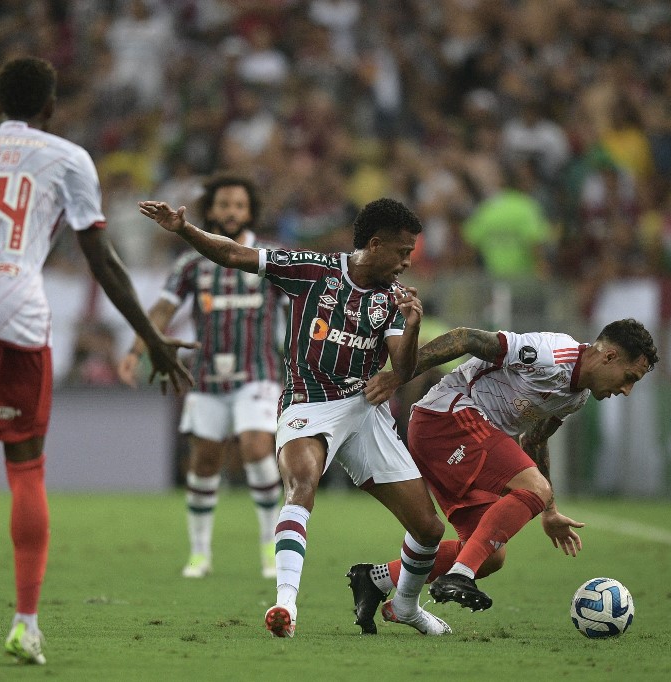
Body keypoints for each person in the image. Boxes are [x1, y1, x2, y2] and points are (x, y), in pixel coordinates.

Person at [0, 57, 193, 665]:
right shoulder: (68, 158)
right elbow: (101, 259)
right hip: (17, 317)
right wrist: (152, 339)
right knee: (25, 469)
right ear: (50, 108)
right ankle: (25, 626)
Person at [138, 196, 451, 638]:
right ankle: (285, 603)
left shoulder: (391, 300)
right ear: (375, 245)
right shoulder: (313, 271)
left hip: (364, 410)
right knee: (302, 485)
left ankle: (406, 606)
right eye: (402, 251)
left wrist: (412, 326)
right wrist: (184, 229)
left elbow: (402, 365)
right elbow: (234, 254)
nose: (407, 262)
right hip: (310, 402)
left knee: (429, 528)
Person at [348, 318, 659, 632]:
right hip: (446, 416)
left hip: (453, 436)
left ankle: (377, 579)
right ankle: (459, 575)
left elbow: (534, 440)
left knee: (489, 556)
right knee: (532, 493)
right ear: (609, 357)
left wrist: (549, 511)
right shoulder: (550, 354)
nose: (627, 390)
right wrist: (398, 376)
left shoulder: (576, 397)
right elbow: (465, 337)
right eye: (629, 378)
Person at [118, 174, 284, 580]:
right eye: (224, 204)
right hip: (207, 376)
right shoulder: (191, 263)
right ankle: (199, 553)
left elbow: (302, 304)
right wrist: (135, 351)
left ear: (250, 212)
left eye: (239, 206)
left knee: (257, 448)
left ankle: (271, 546)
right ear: (210, 210)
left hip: (259, 372)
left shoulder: (269, 258)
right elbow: (162, 310)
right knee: (205, 460)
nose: (231, 212)